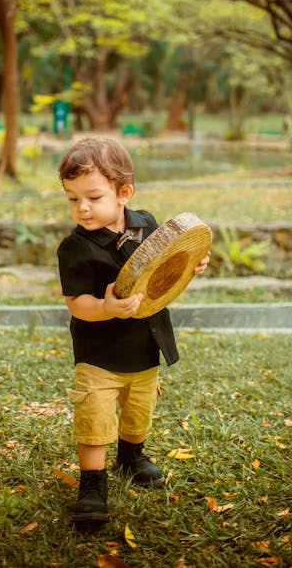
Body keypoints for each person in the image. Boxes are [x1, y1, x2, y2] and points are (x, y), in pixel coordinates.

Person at [56, 136, 209, 531]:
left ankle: (132, 455)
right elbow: (76, 303)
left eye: (92, 197)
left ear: (124, 193)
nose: (82, 208)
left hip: (145, 344)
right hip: (99, 352)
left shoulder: (147, 224)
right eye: (73, 199)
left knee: (139, 407)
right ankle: (92, 484)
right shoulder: (75, 248)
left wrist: (193, 259)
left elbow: (166, 266)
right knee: (95, 415)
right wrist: (105, 307)